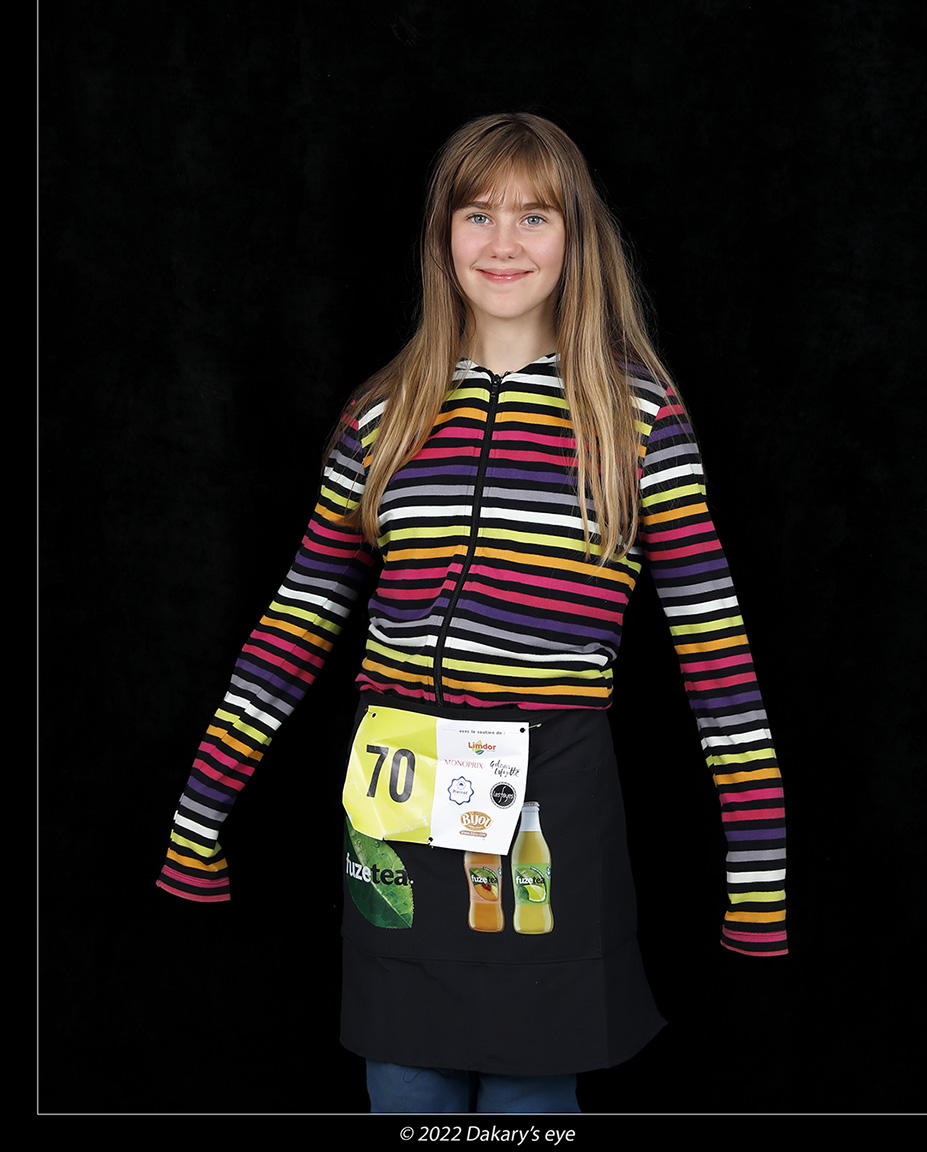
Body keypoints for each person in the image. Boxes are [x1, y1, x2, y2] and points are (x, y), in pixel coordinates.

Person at [156, 112, 787, 1114]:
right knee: (403, 1083)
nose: (503, 243)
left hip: (551, 809)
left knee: (532, 1100)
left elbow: (714, 652)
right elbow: (294, 625)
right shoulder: (381, 415)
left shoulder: (638, 420)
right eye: (477, 214)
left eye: (534, 216)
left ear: (574, 237)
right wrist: (201, 814)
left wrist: (758, 867)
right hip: (399, 809)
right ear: (442, 235)